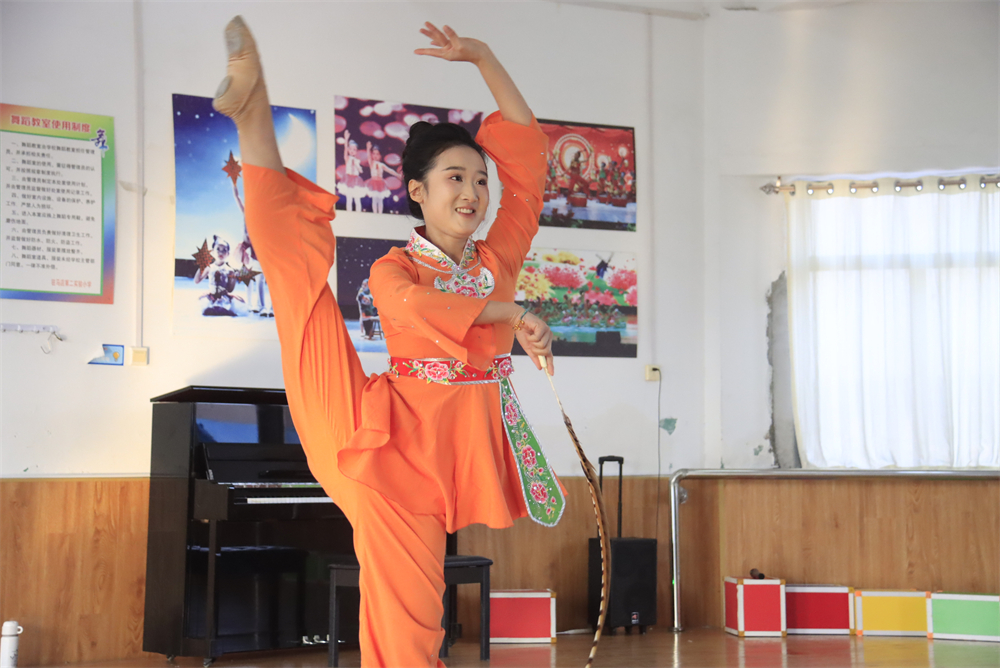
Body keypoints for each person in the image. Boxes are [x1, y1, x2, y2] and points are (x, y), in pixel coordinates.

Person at [211, 16, 561, 667]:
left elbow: (531, 164)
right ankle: (252, 115)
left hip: (441, 458)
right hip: (386, 444)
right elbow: (417, 306)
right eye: (455, 177)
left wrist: (483, 57)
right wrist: (511, 312)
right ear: (417, 191)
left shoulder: (498, 258)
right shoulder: (393, 268)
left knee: (411, 627)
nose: (473, 192)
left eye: (480, 179)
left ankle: (252, 111)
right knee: (301, 293)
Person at [365, 141, 401, 214]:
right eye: (374, 154)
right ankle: (375, 213)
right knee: (374, 199)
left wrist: (397, 175)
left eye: (377, 154)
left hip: (380, 183)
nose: (375, 156)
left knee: (380, 199)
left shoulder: (381, 165)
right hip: (374, 183)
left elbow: (389, 170)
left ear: (380, 156)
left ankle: (380, 213)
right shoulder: (372, 163)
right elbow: (368, 157)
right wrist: (368, 148)